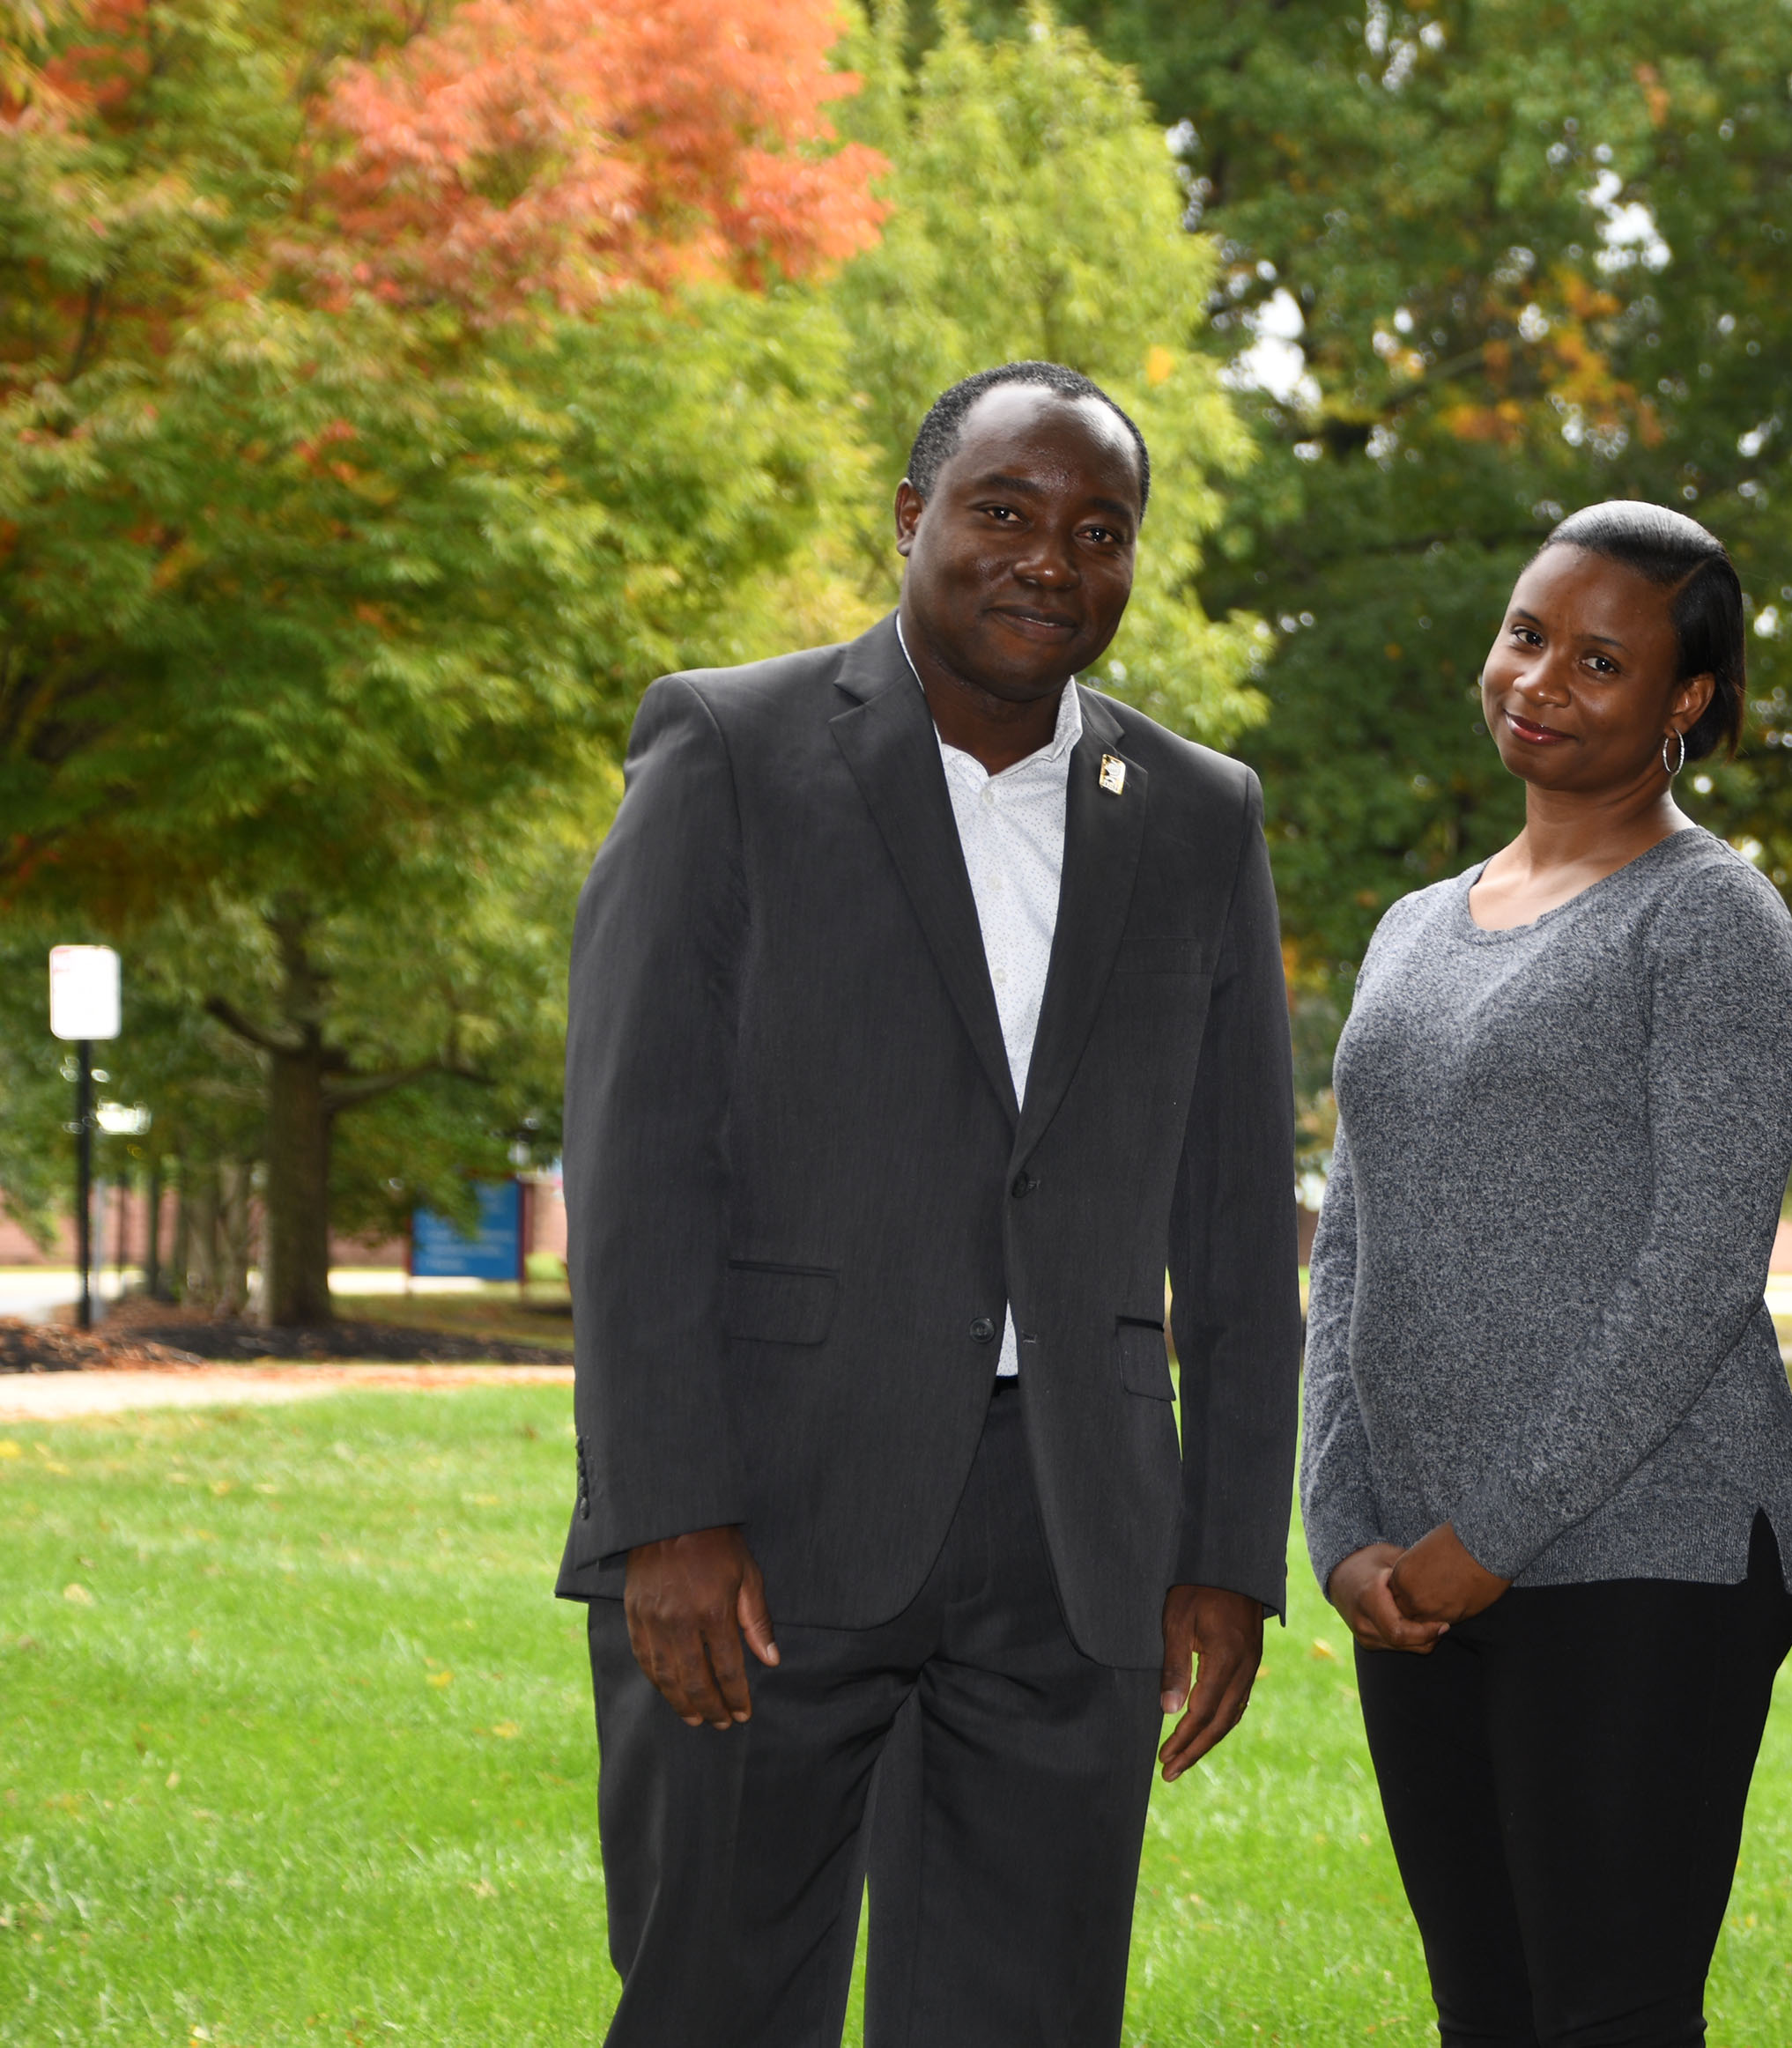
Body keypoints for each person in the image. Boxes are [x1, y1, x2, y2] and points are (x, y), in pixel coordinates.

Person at [556, 359, 1302, 2046]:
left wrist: (1225, 1550)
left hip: (1078, 1542)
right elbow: (637, 1151)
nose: (1053, 557)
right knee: (717, 2005)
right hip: (759, 1515)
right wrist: (660, 1507)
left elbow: (1242, 1215)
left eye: (1098, 529)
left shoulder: (1198, 814)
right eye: (1007, 511)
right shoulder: (728, 748)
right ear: (912, 521)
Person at [1300, 502, 1792, 2048]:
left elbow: (1699, 1276)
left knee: (1610, 2014)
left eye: (1603, 660)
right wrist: (1347, 1530)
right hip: (1422, 1577)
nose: (1543, 678)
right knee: (1488, 2011)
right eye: (1530, 633)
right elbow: (1352, 1251)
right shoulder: (1411, 929)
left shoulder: (1715, 921)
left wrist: (1495, 1535)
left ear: (1687, 706)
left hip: (1650, 1560)